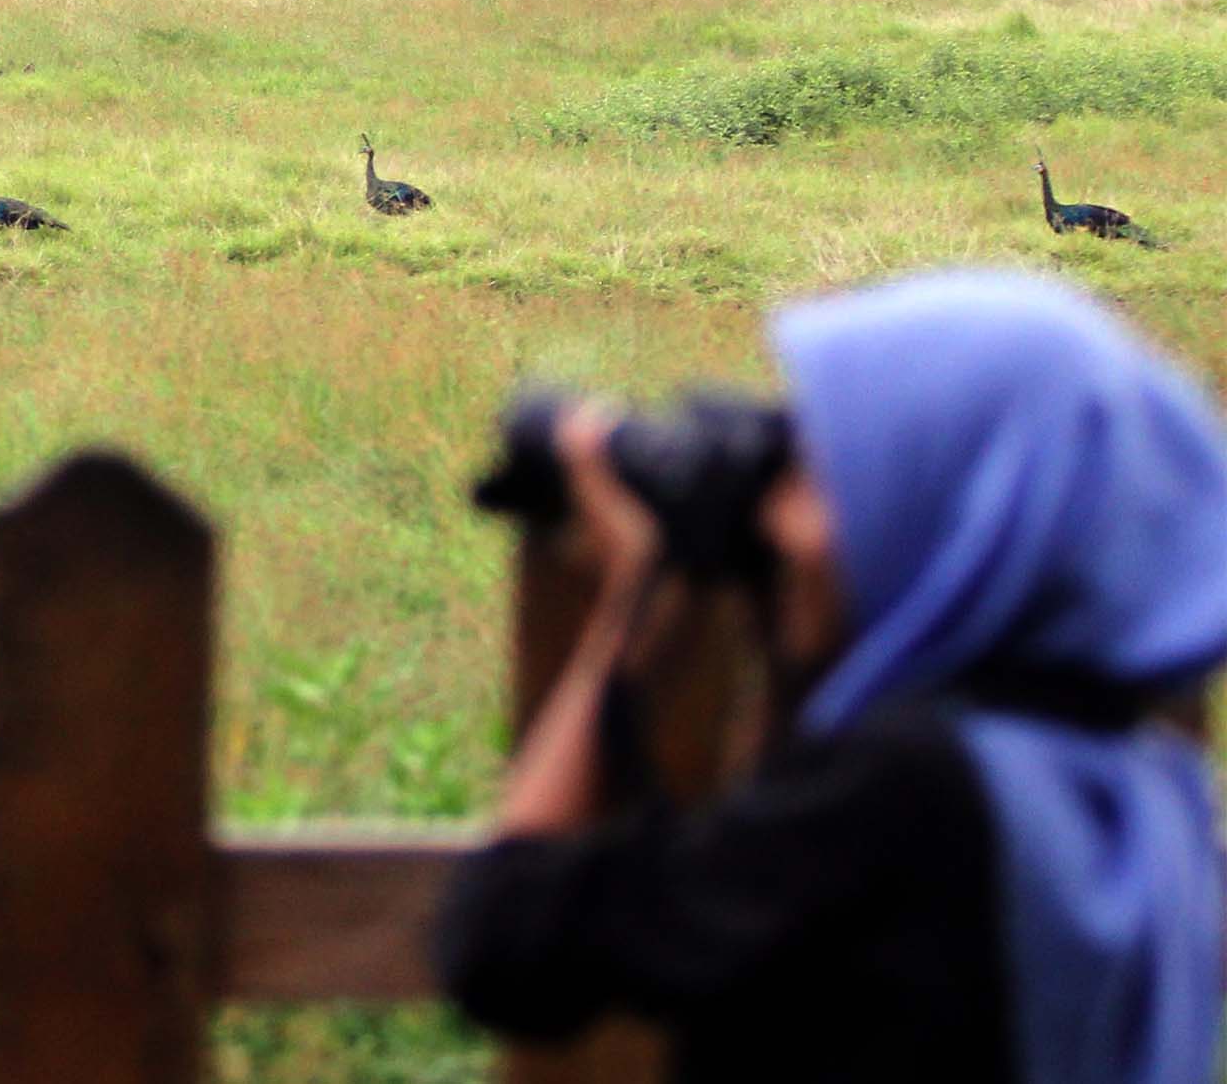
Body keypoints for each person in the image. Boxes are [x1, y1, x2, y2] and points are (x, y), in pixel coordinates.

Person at [437, 268, 1227, 1084]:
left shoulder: (902, 790)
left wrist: (636, 609)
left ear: (954, 511)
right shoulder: (1140, 788)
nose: (779, 520)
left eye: (826, 477)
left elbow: (504, 948)